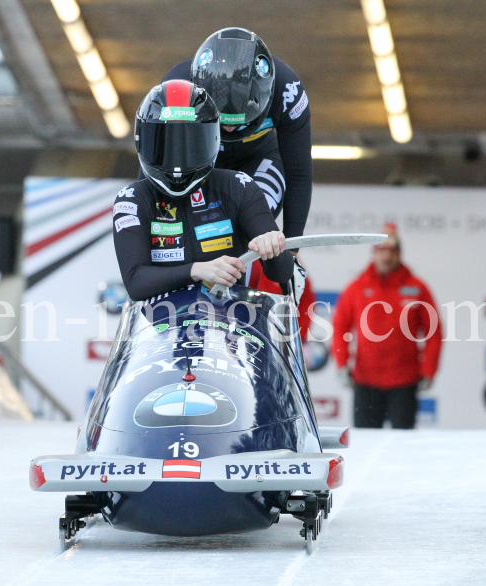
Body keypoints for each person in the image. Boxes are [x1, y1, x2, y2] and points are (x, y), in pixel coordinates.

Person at [113, 80, 293, 303]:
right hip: (161, 329)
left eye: (188, 144)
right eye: (167, 144)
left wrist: (273, 246)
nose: (177, 159)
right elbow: (136, 283)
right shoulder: (131, 201)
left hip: (233, 326)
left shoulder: (239, 187)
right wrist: (198, 270)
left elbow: (282, 272)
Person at [161, 28, 312, 240]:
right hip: (201, 160)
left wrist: (293, 249)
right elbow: (155, 165)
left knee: (254, 223)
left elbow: (298, 172)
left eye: (241, 119)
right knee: (192, 228)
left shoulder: (289, 92)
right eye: (223, 121)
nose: (230, 130)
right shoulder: (176, 90)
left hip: (259, 158)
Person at [331, 224, 442, 429]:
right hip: (365, 380)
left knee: (403, 444)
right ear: (373, 253)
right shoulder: (357, 287)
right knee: (365, 443)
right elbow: (340, 328)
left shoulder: (417, 288)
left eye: (392, 251)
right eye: (381, 251)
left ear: (399, 254)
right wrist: (341, 363)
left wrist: (429, 370)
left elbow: (433, 333)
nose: (386, 257)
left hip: (404, 382)